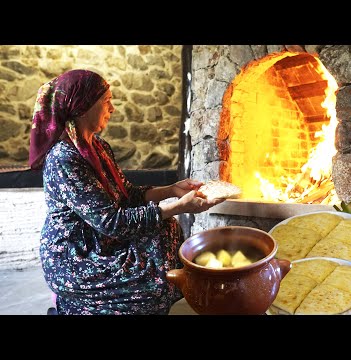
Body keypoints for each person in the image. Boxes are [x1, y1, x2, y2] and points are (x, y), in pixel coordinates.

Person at [29, 69, 224, 315]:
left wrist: (172, 190)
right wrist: (180, 205)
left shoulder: (97, 147)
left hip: (105, 240)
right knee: (155, 285)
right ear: (82, 106)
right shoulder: (64, 159)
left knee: (167, 229)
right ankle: (73, 305)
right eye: (107, 101)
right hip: (77, 256)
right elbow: (111, 222)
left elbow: (127, 193)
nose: (113, 109)